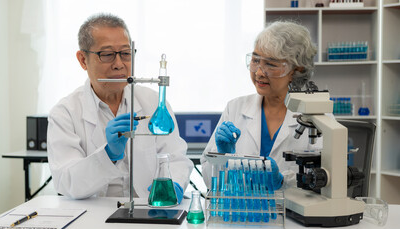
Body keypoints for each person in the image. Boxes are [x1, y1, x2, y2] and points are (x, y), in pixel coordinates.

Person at [47, 13, 193, 202]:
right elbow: (67, 182)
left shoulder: (152, 102)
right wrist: (109, 155)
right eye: (107, 55)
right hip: (92, 216)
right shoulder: (65, 112)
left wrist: (174, 185)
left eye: (125, 54)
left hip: (148, 211)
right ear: (83, 60)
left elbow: (176, 158)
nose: (119, 64)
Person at [200, 21, 320, 189]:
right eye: (255, 60)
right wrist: (221, 155)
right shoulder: (235, 109)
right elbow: (210, 182)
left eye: (270, 64)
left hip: (293, 214)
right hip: (241, 213)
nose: (259, 72)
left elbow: (327, 182)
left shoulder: (317, 117)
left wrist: (283, 182)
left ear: (296, 70)